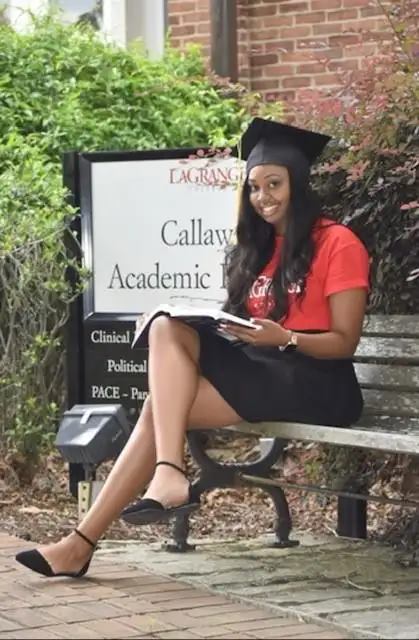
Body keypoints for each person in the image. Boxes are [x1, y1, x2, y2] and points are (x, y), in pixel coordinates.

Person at [15, 118, 370, 578]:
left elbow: (345, 343)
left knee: (157, 408)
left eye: (274, 184)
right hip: (265, 368)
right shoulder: (258, 248)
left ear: (298, 184)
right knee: (165, 326)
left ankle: (90, 536)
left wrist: (284, 337)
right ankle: (134, 499)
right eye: (255, 187)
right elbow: (243, 323)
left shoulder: (338, 242)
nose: (264, 197)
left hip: (319, 381)